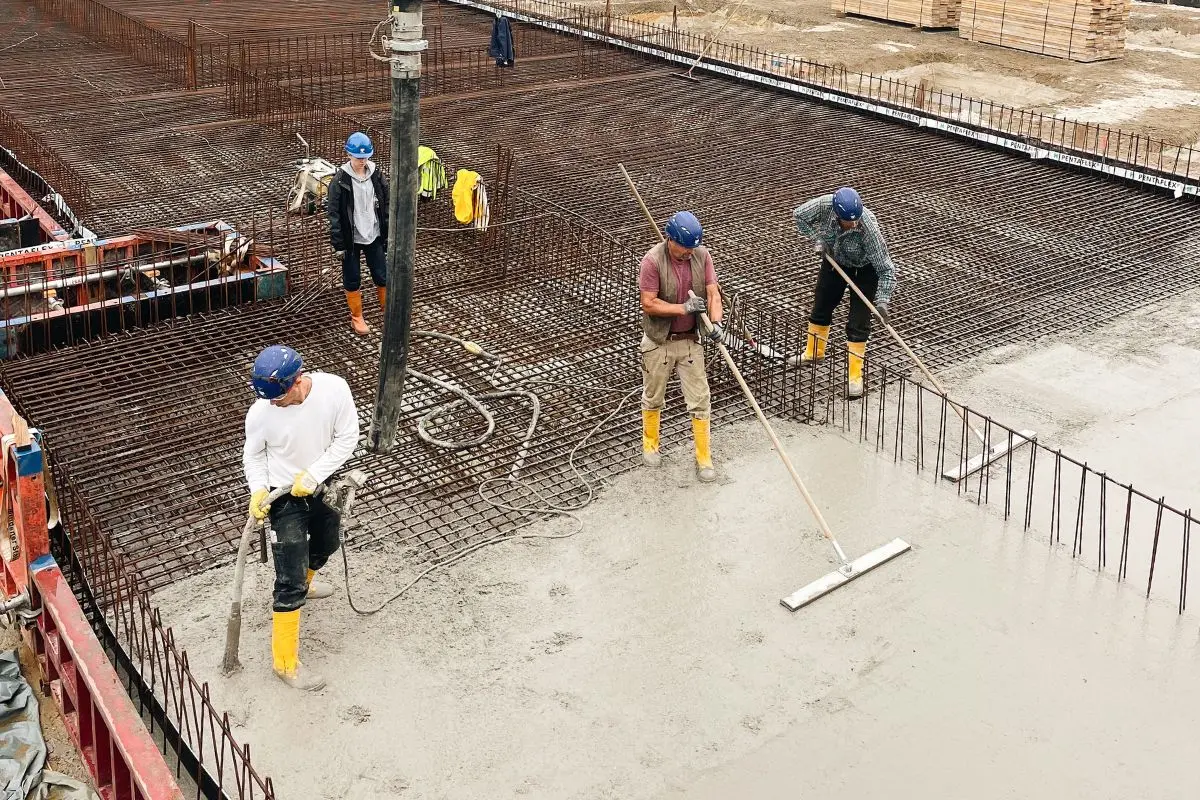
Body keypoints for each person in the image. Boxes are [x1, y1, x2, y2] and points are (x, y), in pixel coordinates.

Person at [243, 345, 358, 691]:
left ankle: (307, 583)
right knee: (288, 576)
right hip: (284, 497)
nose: (274, 404)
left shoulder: (334, 390)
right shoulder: (261, 413)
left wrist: (314, 474)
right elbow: (254, 456)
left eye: (279, 398)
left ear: (297, 381)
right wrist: (259, 490)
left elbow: (347, 438)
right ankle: (285, 662)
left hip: (320, 484)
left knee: (327, 542)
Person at [638, 211, 724, 483]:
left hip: (689, 340)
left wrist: (716, 322)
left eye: (692, 247)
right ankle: (650, 444)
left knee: (700, 400)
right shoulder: (652, 261)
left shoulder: (701, 255)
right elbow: (649, 303)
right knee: (654, 396)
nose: (689, 252)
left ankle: (703, 458)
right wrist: (683, 308)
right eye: (684, 247)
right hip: (659, 341)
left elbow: (713, 292)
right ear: (670, 239)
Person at [788, 187, 897, 399]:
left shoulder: (868, 228)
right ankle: (814, 352)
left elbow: (886, 269)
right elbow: (798, 215)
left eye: (856, 220)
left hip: (865, 270)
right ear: (837, 215)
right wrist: (818, 239)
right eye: (849, 221)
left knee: (858, 322)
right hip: (835, 261)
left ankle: (855, 376)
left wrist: (882, 301)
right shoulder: (824, 205)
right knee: (822, 305)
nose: (853, 224)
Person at [327, 132, 390, 336]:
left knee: (382, 275)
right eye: (358, 157)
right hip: (351, 239)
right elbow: (334, 214)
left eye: (365, 157)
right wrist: (339, 244)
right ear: (349, 155)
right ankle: (357, 317)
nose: (362, 161)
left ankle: (388, 311)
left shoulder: (376, 175)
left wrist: (387, 233)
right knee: (352, 278)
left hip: (373, 234)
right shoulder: (340, 180)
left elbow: (386, 205)